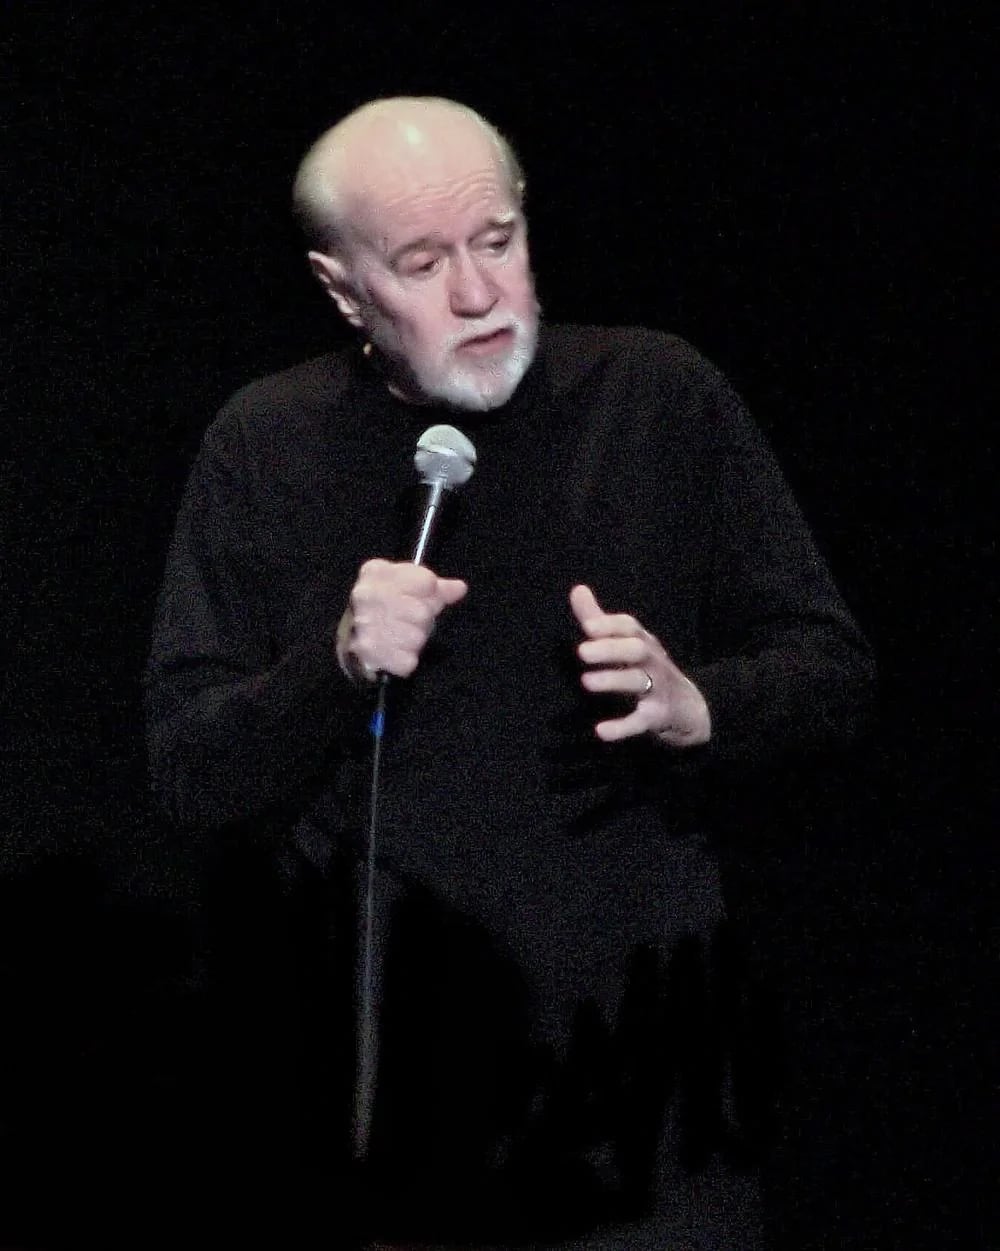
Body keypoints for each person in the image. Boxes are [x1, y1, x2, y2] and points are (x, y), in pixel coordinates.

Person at [144, 96, 875, 1248]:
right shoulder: (265, 441)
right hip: (387, 1082)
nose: (478, 295)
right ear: (342, 290)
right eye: (424, 263)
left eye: (497, 241)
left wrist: (701, 704)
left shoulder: (653, 398)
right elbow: (189, 771)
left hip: (648, 1079)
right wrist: (328, 668)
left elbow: (833, 672)